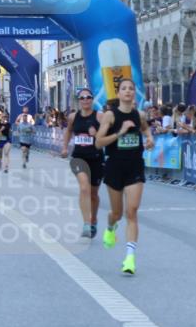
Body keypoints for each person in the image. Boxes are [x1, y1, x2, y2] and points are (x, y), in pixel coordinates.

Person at [95, 79, 154, 275]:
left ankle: (130, 258)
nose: (128, 92)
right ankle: (111, 227)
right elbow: (99, 143)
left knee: (132, 211)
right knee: (117, 213)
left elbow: (145, 127)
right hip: (114, 167)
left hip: (135, 167)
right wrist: (120, 132)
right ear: (118, 94)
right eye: (124, 89)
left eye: (131, 89)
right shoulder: (110, 116)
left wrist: (150, 138)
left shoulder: (140, 114)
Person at [61, 88, 104, 238]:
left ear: (92, 100)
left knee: (93, 194)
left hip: (96, 157)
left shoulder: (100, 116)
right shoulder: (73, 117)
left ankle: (93, 220)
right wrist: (65, 147)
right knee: (84, 188)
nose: (85, 100)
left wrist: (96, 134)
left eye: (88, 97)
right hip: (79, 157)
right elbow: (68, 131)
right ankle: (86, 223)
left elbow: (106, 137)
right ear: (78, 101)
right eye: (82, 98)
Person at [0, 106, 12, 173]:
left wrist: (1, 129)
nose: (4, 118)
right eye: (3, 117)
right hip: (0, 140)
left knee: (6, 153)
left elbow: (7, 129)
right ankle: (0, 162)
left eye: (6, 117)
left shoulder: (8, 124)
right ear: (1, 117)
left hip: (7, 140)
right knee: (0, 153)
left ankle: (6, 167)